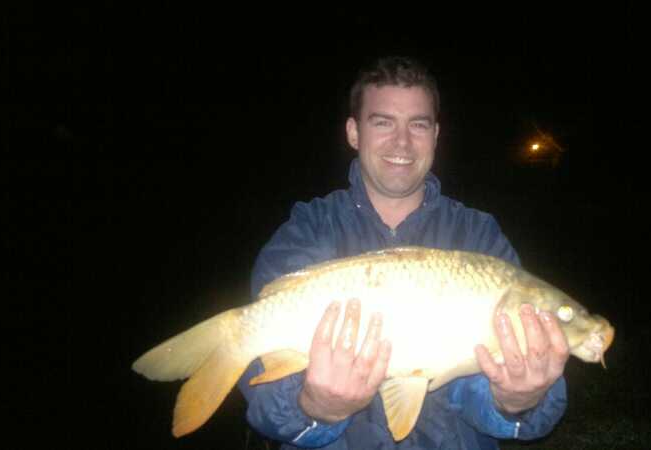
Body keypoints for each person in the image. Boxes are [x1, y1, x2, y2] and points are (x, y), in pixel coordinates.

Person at [237, 56, 568, 449]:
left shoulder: (478, 235)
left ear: (436, 135)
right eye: (383, 123)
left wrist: (515, 400)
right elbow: (264, 396)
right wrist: (315, 407)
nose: (402, 142)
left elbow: (489, 391)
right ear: (353, 132)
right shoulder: (308, 229)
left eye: (418, 124)